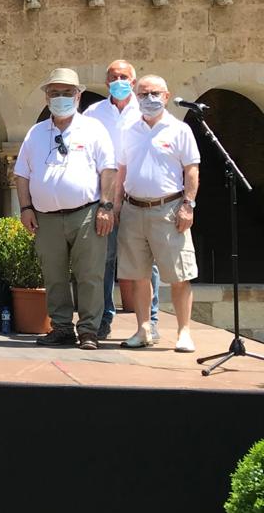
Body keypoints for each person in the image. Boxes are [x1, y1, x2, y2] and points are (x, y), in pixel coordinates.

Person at [14, 68, 116, 350]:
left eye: (67, 93)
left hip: (86, 213)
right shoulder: (35, 133)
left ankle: (88, 331)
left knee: (90, 274)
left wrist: (106, 206)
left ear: (78, 95)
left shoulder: (93, 129)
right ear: (46, 97)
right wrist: (25, 207)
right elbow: (22, 173)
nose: (61, 98)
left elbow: (108, 169)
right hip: (46, 217)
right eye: (55, 93)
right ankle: (61, 328)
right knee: (54, 275)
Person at [114, 75, 201, 352]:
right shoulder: (129, 130)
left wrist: (188, 205)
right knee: (138, 275)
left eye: (155, 93)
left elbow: (191, 170)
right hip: (133, 209)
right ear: (135, 97)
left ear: (166, 96)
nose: (149, 99)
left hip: (169, 209)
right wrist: (116, 205)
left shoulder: (179, 129)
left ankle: (184, 331)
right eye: (143, 94)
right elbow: (122, 170)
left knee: (178, 275)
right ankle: (143, 329)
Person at [85, 59, 161, 341]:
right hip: (104, 198)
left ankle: (151, 321)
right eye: (114, 77)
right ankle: (105, 317)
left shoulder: (146, 112)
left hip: (136, 198)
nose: (119, 81)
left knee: (146, 262)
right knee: (103, 260)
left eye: (124, 76)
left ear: (133, 80)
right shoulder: (94, 113)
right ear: (106, 83)